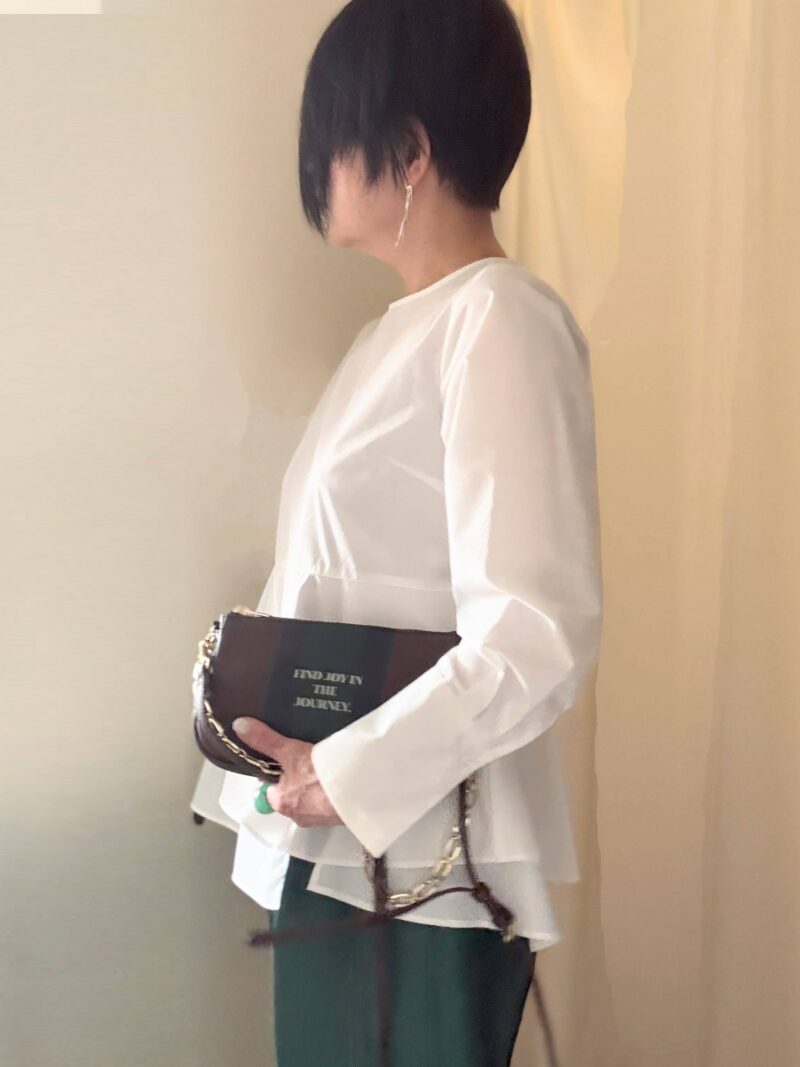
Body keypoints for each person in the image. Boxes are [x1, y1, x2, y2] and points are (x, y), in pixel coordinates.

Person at [217, 0, 604, 1063]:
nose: (318, 169)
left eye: (332, 135)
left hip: (417, 859)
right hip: (341, 840)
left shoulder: (500, 319)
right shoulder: (397, 334)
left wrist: (352, 773)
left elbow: (536, 631)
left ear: (411, 149)